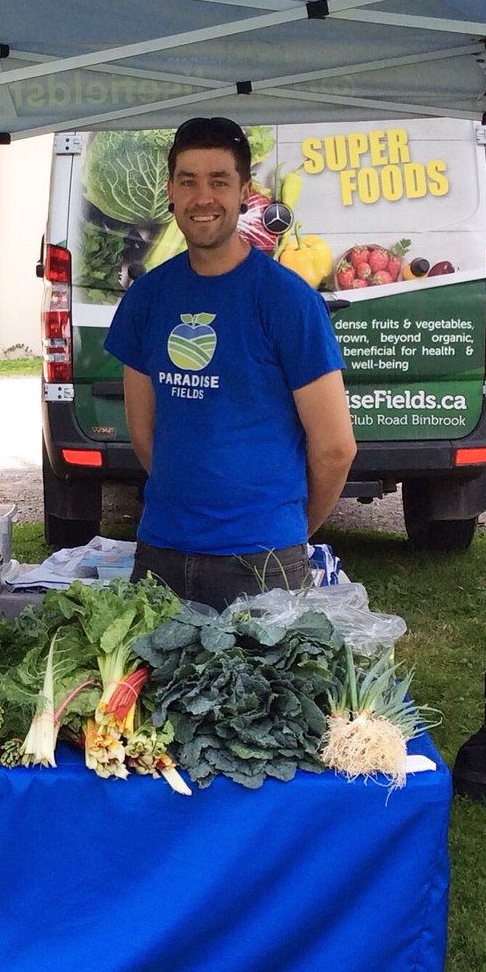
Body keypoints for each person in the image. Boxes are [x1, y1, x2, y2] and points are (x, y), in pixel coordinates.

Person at [103, 116, 356, 609]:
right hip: (162, 555)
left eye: (219, 181)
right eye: (188, 181)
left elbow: (335, 449)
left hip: (264, 563)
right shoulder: (147, 298)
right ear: (171, 193)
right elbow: (142, 432)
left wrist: (283, 529)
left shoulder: (289, 300)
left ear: (245, 194)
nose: (203, 198)